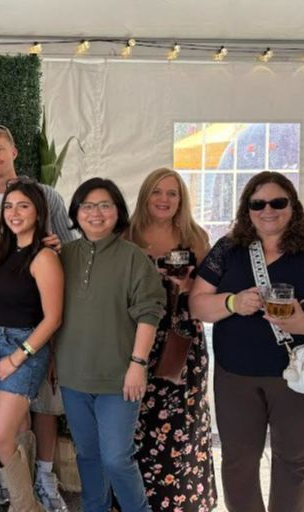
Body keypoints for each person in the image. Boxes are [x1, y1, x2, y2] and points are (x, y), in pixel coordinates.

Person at [190, 171, 304, 512]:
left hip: (302, 375)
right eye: (258, 204)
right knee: (238, 461)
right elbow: (197, 304)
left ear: (293, 206)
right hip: (236, 374)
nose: (268, 210)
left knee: (293, 460)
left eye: (278, 202)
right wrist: (232, 302)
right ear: (246, 209)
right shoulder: (228, 249)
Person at [0, 125, 76, 511]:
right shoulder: (6, 250)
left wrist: (19, 356)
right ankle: (25, 490)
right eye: (10, 207)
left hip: (23, 349)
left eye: (23, 207)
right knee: (17, 427)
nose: (15, 213)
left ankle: (26, 505)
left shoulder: (44, 255)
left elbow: (53, 318)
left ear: (39, 211)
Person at [55, 177, 165, 512]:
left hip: (119, 378)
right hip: (73, 377)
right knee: (88, 455)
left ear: (118, 212)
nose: (96, 213)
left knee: (117, 457)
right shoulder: (63, 255)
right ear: (76, 212)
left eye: (105, 205)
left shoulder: (134, 258)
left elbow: (149, 313)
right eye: (87, 206)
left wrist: (138, 364)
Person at [125, 168, 217, 511]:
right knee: (137, 422)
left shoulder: (196, 237)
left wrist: (188, 285)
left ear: (181, 200)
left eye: (172, 193)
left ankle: (183, 503)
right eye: (157, 192)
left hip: (182, 339)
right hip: (137, 339)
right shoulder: (127, 235)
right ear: (145, 196)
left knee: (184, 423)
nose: (164, 199)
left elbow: (211, 292)